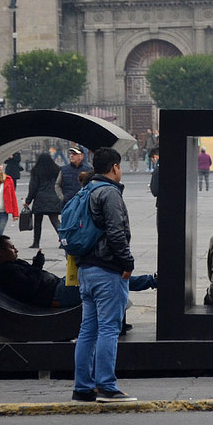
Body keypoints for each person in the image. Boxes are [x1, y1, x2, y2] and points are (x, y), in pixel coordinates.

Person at [73, 147, 138, 403]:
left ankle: (82, 387)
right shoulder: (109, 192)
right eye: (120, 167)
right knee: (109, 329)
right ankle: (107, 386)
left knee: (87, 330)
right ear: (114, 167)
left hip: (86, 269)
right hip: (107, 270)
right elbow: (115, 232)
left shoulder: (86, 189)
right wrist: (127, 262)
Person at [0, 236, 155, 308]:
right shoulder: (6, 272)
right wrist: (37, 265)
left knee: (103, 274)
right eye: (11, 248)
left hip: (60, 286)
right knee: (105, 279)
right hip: (57, 295)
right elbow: (29, 288)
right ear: (0, 253)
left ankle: (151, 281)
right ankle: (151, 281)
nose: (16, 250)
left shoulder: (11, 264)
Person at [25, 153, 63, 251]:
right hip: (54, 197)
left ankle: (36, 242)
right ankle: (63, 240)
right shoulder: (57, 169)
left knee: (38, 221)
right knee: (55, 220)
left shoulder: (36, 171)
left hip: (40, 198)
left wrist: (28, 201)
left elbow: (33, 187)